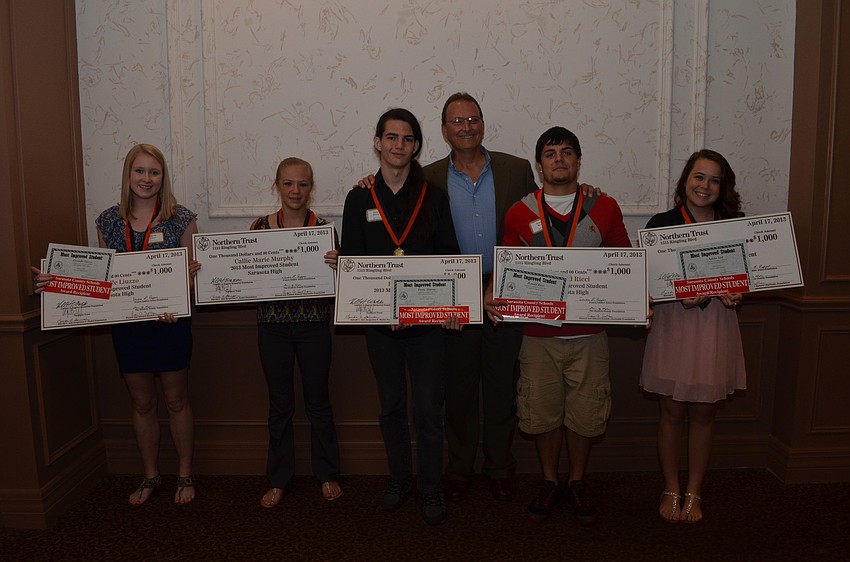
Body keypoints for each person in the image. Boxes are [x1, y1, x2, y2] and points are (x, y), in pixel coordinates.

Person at [34, 143, 200, 506]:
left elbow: (191, 276)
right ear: (128, 175)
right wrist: (55, 283)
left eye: (154, 172)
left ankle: (185, 474)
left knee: (176, 401)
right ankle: (151, 475)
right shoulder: (107, 221)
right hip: (128, 327)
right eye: (139, 171)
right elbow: (99, 279)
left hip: (170, 325)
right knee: (141, 404)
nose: (146, 179)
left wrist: (179, 296)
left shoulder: (182, 218)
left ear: (163, 177)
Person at [485, 127, 631, 526]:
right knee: (542, 412)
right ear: (539, 164)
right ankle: (550, 480)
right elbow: (506, 267)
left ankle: (578, 479)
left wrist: (638, 296)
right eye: (550, 153)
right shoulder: (519, 212)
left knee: (585, 414)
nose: (559, 159)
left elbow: (624, 263)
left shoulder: (604, 207)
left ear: (578, 161)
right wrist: (492, 292)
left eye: (567, 152)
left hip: (589, 335)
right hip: (537, 336)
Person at [340, 108, 460, 526]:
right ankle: (399, 479)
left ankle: (431, 485)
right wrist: (375, 307)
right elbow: (354, 260)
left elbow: (449, 258)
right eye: (391, 137)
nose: (398, 145)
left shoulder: (433, 195)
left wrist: (449, 309)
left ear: (416, 146)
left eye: (407, 139)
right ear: (378, 143)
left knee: (428, 409)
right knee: (391, 407)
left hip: (427, 328)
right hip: (381, 328)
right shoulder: (359, 198)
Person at [422, 93, 537, 502]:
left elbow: (538, 221)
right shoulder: (428, 177)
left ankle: (499, 467)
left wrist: (586, 192)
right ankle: (459, 469)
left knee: (502, 386)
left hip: (505, 292)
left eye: (473, 119)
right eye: (457, 121)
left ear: (483, 124)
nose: (466, 127)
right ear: (444, 130)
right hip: (454, 295)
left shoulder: (516, 170)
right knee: (459, 391)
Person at [640, 149, 746, 524]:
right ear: (686, 180)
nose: (705, 186)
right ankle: (671, 487)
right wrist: (674, 293)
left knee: (704, 412)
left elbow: (750, 275)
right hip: (673, 325)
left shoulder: (735, 225)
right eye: (699, 177)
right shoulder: (661, 224)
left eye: (714, 180)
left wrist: (739, 292)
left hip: (716, 324)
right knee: (670, 412)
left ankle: (694, 490)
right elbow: (647, 283)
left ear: (723, 187)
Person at [251, 157, 343, 508]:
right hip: (272, 327)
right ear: (277, 185)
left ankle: (327, 473)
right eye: (288, 183)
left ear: (311, 188)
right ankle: (278, 479)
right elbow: (245, 274)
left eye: (303, 184)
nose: (295, 191)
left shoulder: (324, 230)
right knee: (280, 406)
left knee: (318, 403)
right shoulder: (259, 227)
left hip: (313, 325)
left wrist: (338, 266)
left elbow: (339, 282)